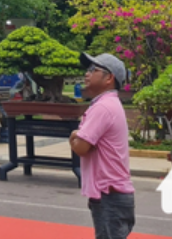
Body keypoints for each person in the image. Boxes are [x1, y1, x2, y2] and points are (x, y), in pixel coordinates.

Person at [69, 53, 135, 239]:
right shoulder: (108, 103)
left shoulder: (103, 107)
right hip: (111, 195)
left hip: (110, 196)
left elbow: (80, 147)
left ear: (109, 78)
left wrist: (73, 135)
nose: (87, 74)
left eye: (93, 70)